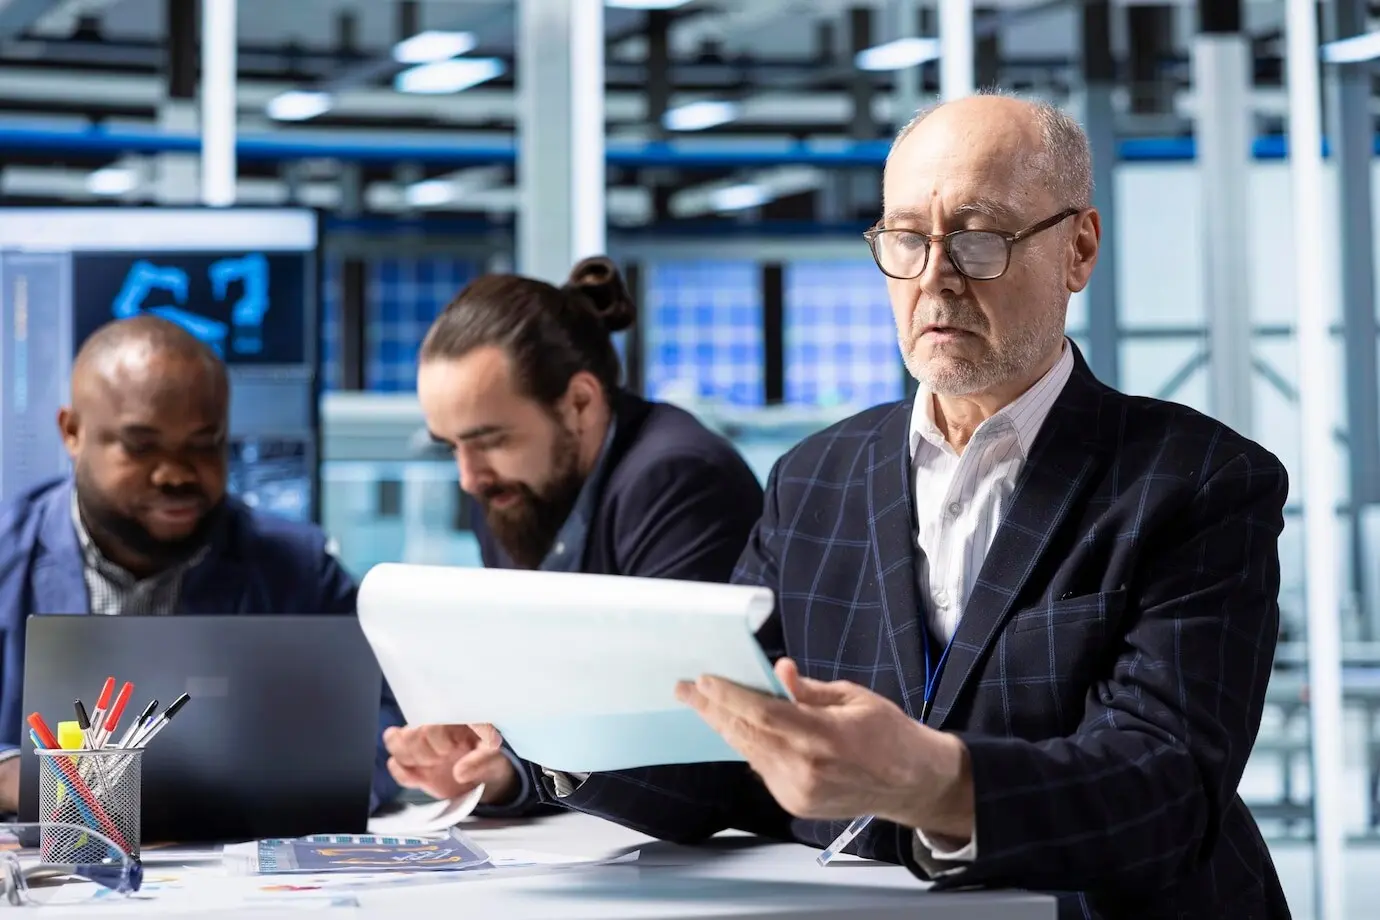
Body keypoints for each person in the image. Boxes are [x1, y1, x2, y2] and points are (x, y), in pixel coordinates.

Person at [403, 94, 1292, 918]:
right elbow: (729, 751)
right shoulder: (817, 476)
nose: (935, 278)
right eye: (906, 238)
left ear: (1080, 249)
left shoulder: (1198, 481)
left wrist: (935, 782)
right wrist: (542, 755)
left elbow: (1165, 784)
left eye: (979, 237)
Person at [380, 256, 766, 814]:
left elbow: (688, 750)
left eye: (489, 439)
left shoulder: (678, 480)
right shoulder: (510, 489)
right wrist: (497, 766)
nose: (468, 477)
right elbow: (547, 700)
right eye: (451, 446)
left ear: (580, 403)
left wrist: (531, 750)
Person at [0, 315, 403, 814]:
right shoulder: (8, 557)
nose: (175, 474)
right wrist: (12, 774)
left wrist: (301, 779)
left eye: (204, 444)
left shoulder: (296, 569)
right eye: (141, 445)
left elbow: (384, 722)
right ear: (73, 432)